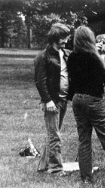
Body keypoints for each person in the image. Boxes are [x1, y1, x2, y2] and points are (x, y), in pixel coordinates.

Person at [67, 26, 105, 184]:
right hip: (93, 99)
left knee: (84, 139)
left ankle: (86, 177)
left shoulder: (72, 56)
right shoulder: (92, 57)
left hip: (77, 99)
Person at [34, 23, 71, 174]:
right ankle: (56, 169)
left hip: (63, 99)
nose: (66, 41)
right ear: (55, 38)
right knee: (55, 135)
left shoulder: (65, 53)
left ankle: (43, 165)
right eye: (63, 38)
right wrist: (47, 100)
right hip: (52, 101)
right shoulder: (43, 57)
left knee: (53, 133)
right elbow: (40, 81)